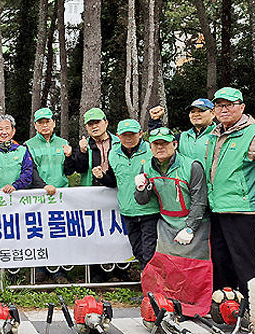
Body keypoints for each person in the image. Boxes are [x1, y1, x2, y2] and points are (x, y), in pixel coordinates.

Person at [206, 87, 255, 298]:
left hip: (244, 210)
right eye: (219, 105)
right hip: (217, 208)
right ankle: (227, 306)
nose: (224, 109)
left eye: (229, 105)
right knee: (221, 263)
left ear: (242, 107)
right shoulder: (214, 134)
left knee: (247, 265)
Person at [135, 127, 212, 316]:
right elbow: (142, 200)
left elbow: (199, 200)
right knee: (167, 265)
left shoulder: (192, 166)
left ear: (175, 144)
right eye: (156, 144)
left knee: (194, 267)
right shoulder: (146, 168)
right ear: (150, 147)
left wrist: (190, 228)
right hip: (167, 223)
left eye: (165, 143)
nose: (160, 147)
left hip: (195, 224)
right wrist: (141, 189)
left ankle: (194, 303)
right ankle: (169, 302)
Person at [64, 108, 123, 282]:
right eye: (90, 124)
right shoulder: (86, 145)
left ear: (106, 122)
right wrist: (81, 152)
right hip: (93, 193)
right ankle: (97, 272)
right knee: (94, 232)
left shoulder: (118, 142)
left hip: (117, 191)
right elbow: (79, 169)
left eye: (97, 122)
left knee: (117, 231)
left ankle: (120, 270)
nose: (94, 126)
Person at [96, 119, 160, 272]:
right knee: (137, 251)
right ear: (118, 136)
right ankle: (147, 280)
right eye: (124, 135)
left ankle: (150, 284)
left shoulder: (151, 150)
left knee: (149, 252)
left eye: (132, 134)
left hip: (150, 210)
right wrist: (101, 177)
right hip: (127, 211)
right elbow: (113, 181)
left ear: (140, 134)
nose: (128, 138)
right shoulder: (113, 153)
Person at [25, 108, 73, 283]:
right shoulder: (28, 145)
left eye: (48, 121)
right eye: (41, 122)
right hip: (39, 195)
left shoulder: (63, 143)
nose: (45, 125)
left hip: (61, 194)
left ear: (53, 123)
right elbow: (30, 170)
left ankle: (60, 271)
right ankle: (41, 269)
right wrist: (43, 186)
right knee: (40, 233)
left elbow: (69, 170)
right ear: (35, 125)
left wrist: (69, 156)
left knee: (59, 232)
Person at [0, 114, 52, 195]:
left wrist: (15, 186)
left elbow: (28, 173)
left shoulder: (22, 150)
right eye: (0, 129)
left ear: (13, 131)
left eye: (7, 128)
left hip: (17, 197)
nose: (4, 132)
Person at [148, 99, 216, 163]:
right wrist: (155, 121)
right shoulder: (182, 137)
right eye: (192, 112)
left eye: (201, 111)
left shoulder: (219, 135)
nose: (196, 114)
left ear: (213, 113)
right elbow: (160, 138)